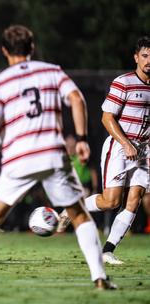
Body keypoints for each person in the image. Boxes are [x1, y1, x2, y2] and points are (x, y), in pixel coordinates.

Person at [0, 25, 115, 290]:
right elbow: (77, 99)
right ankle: (100, 278)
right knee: (79, 216)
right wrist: (81, 139)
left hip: (18, 158)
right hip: (53, 155)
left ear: (4, 51)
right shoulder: (52, 71)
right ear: (32, 48)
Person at [78, 36, 150, 265]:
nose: (149, 61)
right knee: (111, 202)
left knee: (135, 198)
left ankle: (107, 250)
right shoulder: (124, 82)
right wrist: (127, 143)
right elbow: (106, 117)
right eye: (145, 56)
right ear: (136, 57)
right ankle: (72, 210)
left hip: (144, 150)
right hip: (120, 147)